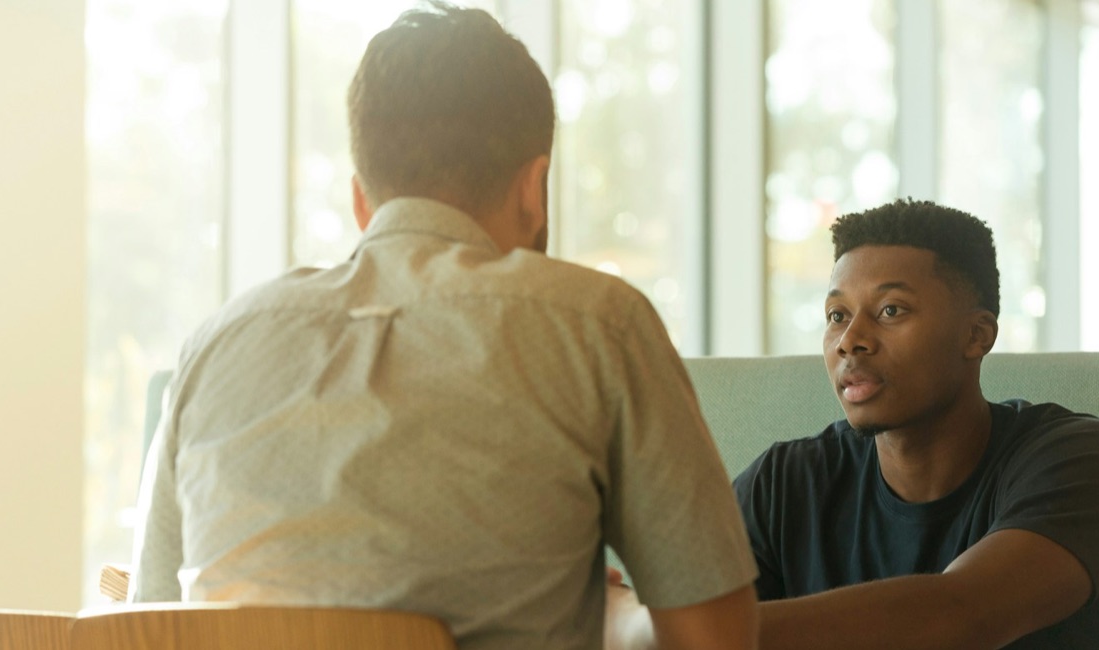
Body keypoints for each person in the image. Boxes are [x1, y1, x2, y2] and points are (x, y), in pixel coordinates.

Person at [127, 4, 758, 649]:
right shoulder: (600, 325)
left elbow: (145, 626)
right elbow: (713, 640)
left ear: (362, 200)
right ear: (534, 189)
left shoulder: (213, 347)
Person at [609, 199, 1099, 649]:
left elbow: (961, 615)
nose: (851, 340)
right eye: (837, 315)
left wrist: (653, 631)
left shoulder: (1084, 461)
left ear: (977, 335)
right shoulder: (785, 484)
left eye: (891, 310)